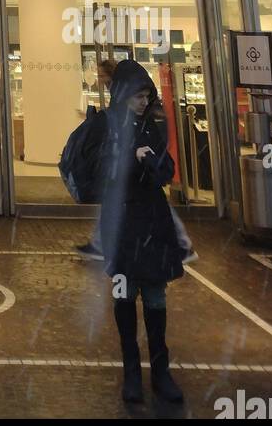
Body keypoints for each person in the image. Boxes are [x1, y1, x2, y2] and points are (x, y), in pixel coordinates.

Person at [98, 59, 185, 405]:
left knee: (155, 296)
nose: (142, 101)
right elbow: (104, 172)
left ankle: (161, 371)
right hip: (122, 223)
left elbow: (167, 169)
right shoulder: (109, 128)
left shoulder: (153, 125)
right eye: (137, 96)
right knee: (124, 294)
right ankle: (131, 370)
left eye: (146, 95)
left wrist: (155, 164)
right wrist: (131, 159)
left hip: (151, 221)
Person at [77, 57, 196, 264]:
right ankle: (100, 244)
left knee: (151, 202)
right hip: (133, 171)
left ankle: (182, 244)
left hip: (140, 169)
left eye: (103, 74)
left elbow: (151, 131)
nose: (100, 78)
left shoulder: (134, 101)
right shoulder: (122, 100)